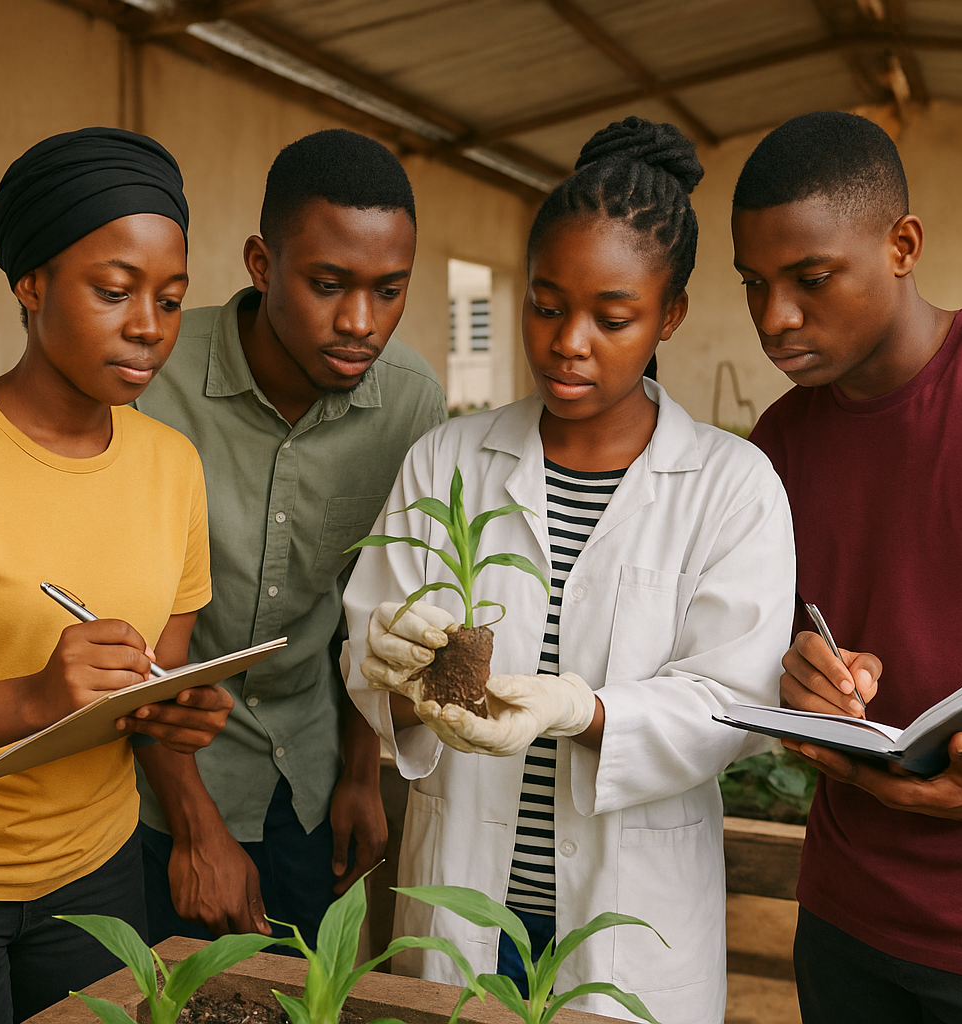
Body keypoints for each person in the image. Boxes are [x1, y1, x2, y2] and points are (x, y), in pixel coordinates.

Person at [344, 116, 796, 1024]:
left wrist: (583, 710)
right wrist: (389, 675)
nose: (568, 342)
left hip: (633, 915)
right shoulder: (448, 459)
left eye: (612, 317)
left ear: (669, 316)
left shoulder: (728, 483)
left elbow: (736, 700)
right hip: (466, 897)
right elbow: (379, 662)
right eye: (546, 305)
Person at [134, 128, 448, 948]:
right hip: (155, 791)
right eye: (328, 284)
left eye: (389, 290)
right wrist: (198, 828)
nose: (360, 322)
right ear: (262, 265)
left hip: (307, 783)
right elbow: (125, 634)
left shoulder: (411, 403)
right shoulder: (151, 379)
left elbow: (375, 608)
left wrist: (357, 772)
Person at [0, 127, 233, 1024]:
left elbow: (148, 687)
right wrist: (35, 700)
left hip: (99, 880)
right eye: (114, 291)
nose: (149, 325)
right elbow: (55, 702)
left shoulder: (172, 466)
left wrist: (174, 707)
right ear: (30, 284)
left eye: (172, 298)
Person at [734, 110, 962, 1023]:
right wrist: (808, 681)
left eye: (811, 279)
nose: (772, 317)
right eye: (754, 283)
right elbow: (779, 652)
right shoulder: (775, 445)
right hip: (844, 920)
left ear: (903, 245)